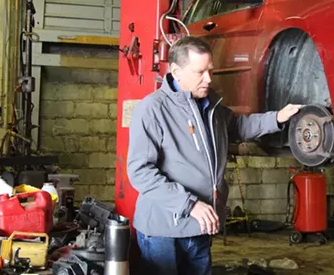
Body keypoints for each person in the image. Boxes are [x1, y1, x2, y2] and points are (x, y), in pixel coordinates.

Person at [127, 36, 303, 274]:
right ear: (176, 72)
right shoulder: (153, 109)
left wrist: (277, 118)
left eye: (210, 71)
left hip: (200, 225)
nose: (208, 79)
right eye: (200, 72)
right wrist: (189, 204)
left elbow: (239, 127)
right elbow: (140, 172)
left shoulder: (211, 107)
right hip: (164, 231)